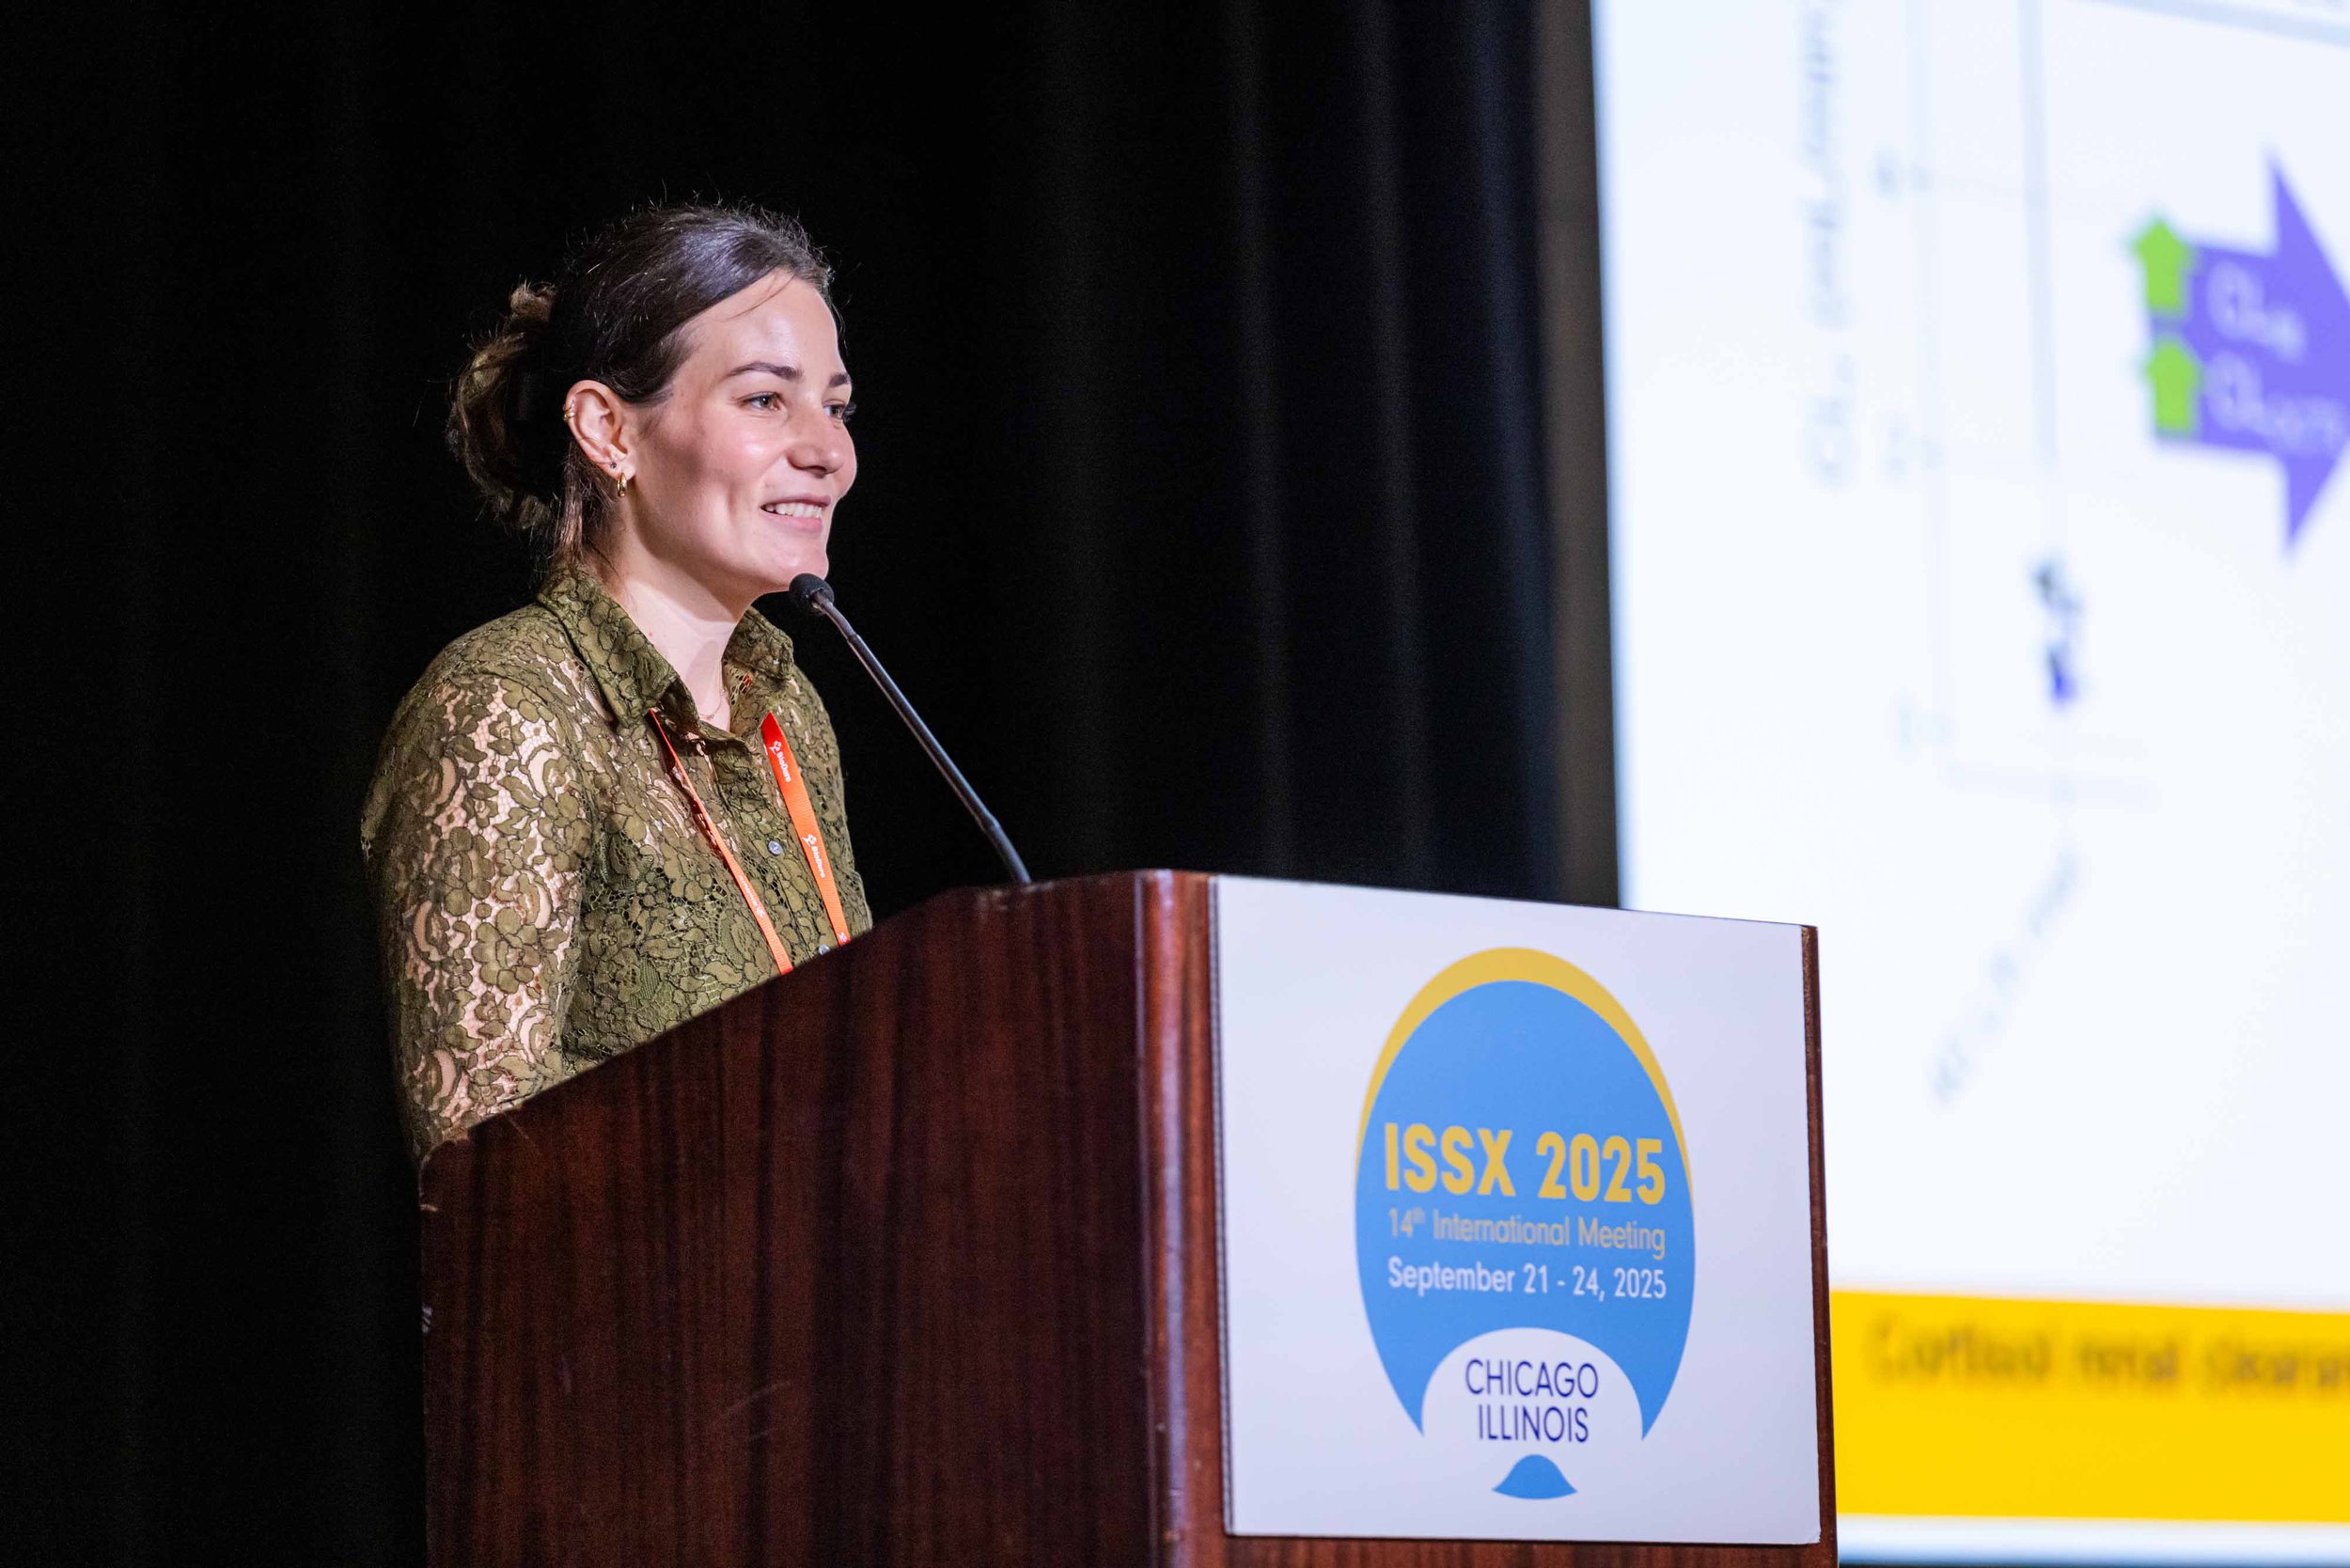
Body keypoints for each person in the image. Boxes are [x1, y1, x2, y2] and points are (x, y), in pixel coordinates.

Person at [362, 205, 873, 1163]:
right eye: (767, 400)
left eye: (835, 406)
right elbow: (486, 1161)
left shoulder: (788, 712)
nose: (826, 450)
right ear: (608, 430)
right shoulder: (507, 707)